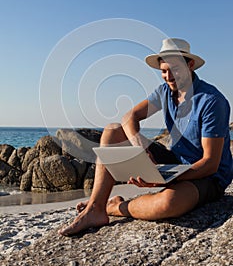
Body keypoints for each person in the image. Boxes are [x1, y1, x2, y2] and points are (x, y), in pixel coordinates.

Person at [58, 38, 233, 236]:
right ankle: (95, 208)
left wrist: (162, 180)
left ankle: (113, 207)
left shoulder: (211, 101)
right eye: (163, 71)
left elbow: (210, 163)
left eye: (174, 69)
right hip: (175, 161)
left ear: (190, 65)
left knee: (168, 203)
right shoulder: (165, 91)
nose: (168, 77)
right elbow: (129, 117)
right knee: (112, 130)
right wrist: (140, 147)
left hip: (207, 176)